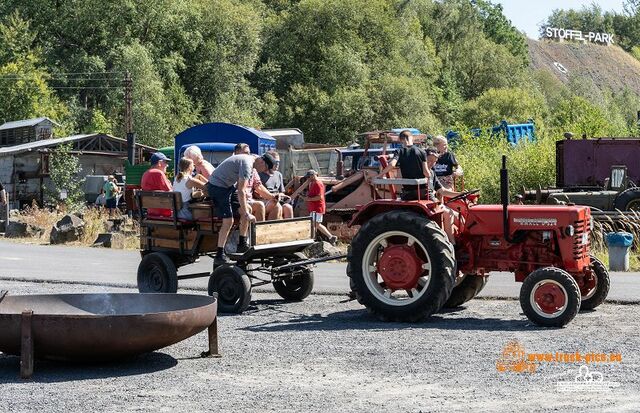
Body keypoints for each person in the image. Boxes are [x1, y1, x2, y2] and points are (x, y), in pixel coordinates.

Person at [207, 152, 271, 267]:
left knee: (248, 209)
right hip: (217, 187)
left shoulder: (251, 162)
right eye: (265, 168)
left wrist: (246, 211)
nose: (263, 171)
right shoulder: (247, 165)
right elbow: (241, 190)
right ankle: (219, 254)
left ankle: (242, 243)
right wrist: (246, 214)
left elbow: (240, 189)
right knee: (229, 220)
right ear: (261, 161)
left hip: (228, 186)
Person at [377, 129, 432, 200]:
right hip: (422, 191)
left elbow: (392, 164)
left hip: (408, 192)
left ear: (401, 140)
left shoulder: (399, 151)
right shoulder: (422, 152)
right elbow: (426, 173)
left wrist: (380, 175)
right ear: (411, 138)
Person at [301, 169, 337, 245]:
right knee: (316, 224)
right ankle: (330, 237)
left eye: (308, 177)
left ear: (312, 176)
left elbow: (319, 197)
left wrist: (308, 199)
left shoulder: (317, 184)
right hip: (315, 207)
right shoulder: (315, 183)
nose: (307, 179)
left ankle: (313, 240)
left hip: (317, 208)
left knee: (314, 224)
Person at [259, 151, 293, 220]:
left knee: (288, 207)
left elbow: (281, 191)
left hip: (277, 199)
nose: (277, 164)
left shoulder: (278, 174)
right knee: (276, 205)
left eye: (278, 162)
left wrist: (282, 196)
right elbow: (259, 192)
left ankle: (288, 229)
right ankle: (272, 229)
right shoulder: (259, 174)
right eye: (275, 161)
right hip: (265, 200)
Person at [141, 152, 173, 217]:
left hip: (151, 212)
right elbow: (170, 193)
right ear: (159, 163)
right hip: (164, 213)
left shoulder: (145, 173)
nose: (167, 165)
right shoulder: (158, 173)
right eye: (166, 162)